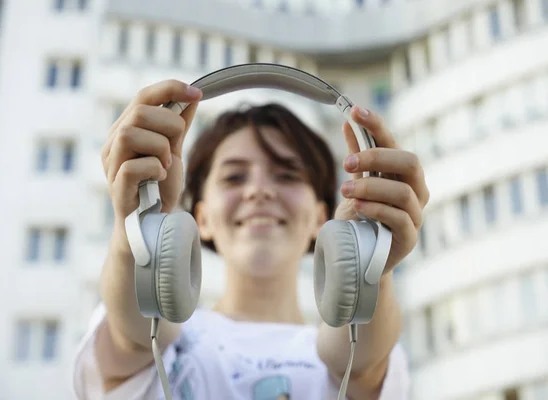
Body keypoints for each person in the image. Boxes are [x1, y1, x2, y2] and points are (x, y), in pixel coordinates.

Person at [72, 79, 430, 399]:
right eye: (234, 178)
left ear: (321, 220)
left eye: (287, 176)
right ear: (201, 219)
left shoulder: (345, 352)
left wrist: (372, 266)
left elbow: (364, 365)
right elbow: (129, 333)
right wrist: (136, 228)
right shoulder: (164, 335)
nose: (259, 191)